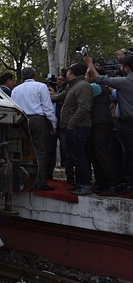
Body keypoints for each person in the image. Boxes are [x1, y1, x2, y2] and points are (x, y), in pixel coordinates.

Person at [85, 54, 133, 190]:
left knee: (124, 153)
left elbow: (100, 79)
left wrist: (90, 63)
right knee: (126, 154)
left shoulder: (126, 82)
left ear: (128, 69)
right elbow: (115, 94)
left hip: (127, 122)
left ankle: (116, 182)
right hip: (123, 122)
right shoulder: (124, 84)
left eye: (122, 66)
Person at [11, 67, 57, 191]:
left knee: (23, 150)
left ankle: (24, 179)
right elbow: (47, 107)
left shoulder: (16, 90)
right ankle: (40, 181)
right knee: (41, 151)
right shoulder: (41, 87)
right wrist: (53, 124)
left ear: (22, 77)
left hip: (21, 120)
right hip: (38, 119)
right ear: (35, 76)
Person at [53, 63, 93, 195]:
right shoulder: (73, 86)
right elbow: (60, 97)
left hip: (78, 127)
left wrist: (71, 123)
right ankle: (80, 183)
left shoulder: (83, 86)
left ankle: (85, 185)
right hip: (72, 127)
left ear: (71, 72)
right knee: (75, 156)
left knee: (79, 156)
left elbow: (84, 107)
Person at [86, 66, 119, 195]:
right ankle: (102, 181)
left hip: (101, 122)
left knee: (102, 152)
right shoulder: (100, 86)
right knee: (96, 153)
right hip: (98, 122)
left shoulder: (95, 86)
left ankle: (112, 182)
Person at [46, 74, 71, 182]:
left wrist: (56, 95)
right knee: (50, 150)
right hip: (52, 125)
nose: (59, 81)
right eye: (58, 80)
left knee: (66, 150)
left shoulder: (67, 91)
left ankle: (70, 174)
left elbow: (67, 103)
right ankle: (48, 173)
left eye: (62, 80)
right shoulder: (51, 92)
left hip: (63, 125)